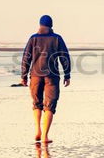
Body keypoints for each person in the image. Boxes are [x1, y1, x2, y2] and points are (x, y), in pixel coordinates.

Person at [21, 15, 71, 143]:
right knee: (50, 105)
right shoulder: (57, 38)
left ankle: (37, 129)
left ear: (40, 25)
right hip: (52, 76)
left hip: (35, 75)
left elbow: (26, 58)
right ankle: (44, 136)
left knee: (36, 103)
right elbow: (64, 57)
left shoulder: (33, 38)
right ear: (51, 25)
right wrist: (67, 75)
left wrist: (24, 76)